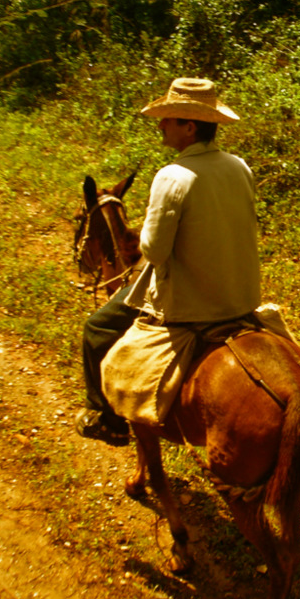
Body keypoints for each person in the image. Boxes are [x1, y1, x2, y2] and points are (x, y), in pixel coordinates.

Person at [76, 77, 261, 445]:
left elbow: (155, 252)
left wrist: (148, 229)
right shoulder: (240, 167)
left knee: (96, 329)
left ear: (189, 127)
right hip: (241, 298)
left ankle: (105, 418)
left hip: (192, 306)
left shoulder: (172, 176)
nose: (160, 125)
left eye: (168, 119)